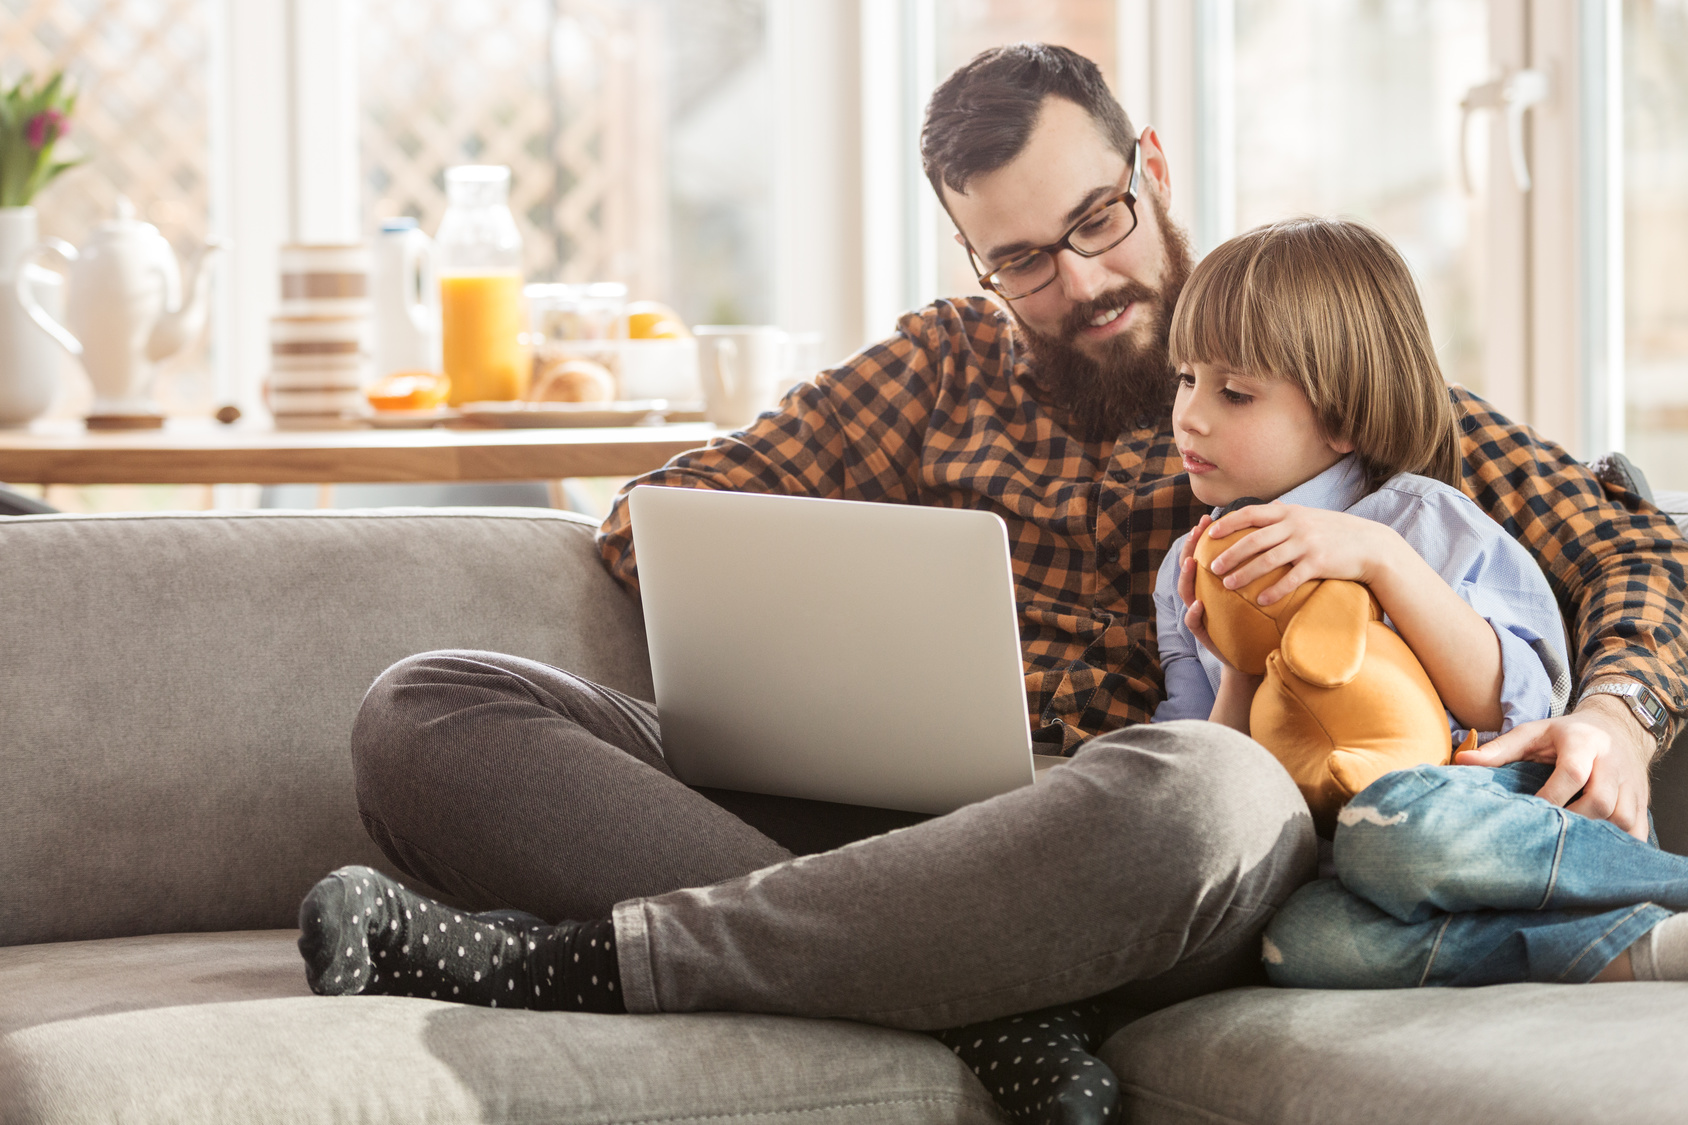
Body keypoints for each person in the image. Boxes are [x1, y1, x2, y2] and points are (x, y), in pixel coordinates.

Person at [296, 41, 1687, 1125]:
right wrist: (842, 604)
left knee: (1205, 790)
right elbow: (658, 519)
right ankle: (968, 1005)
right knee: (429, 706)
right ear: (972, 254)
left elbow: (1632, 542)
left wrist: (1617, 714)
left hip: (1124, 848)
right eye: (1023, 257)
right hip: (893, 815)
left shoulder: (1293, 358)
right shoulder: (940, 367)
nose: (1079, 280)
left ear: (1147, 161)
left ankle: (598, 958)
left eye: (1101, 219)